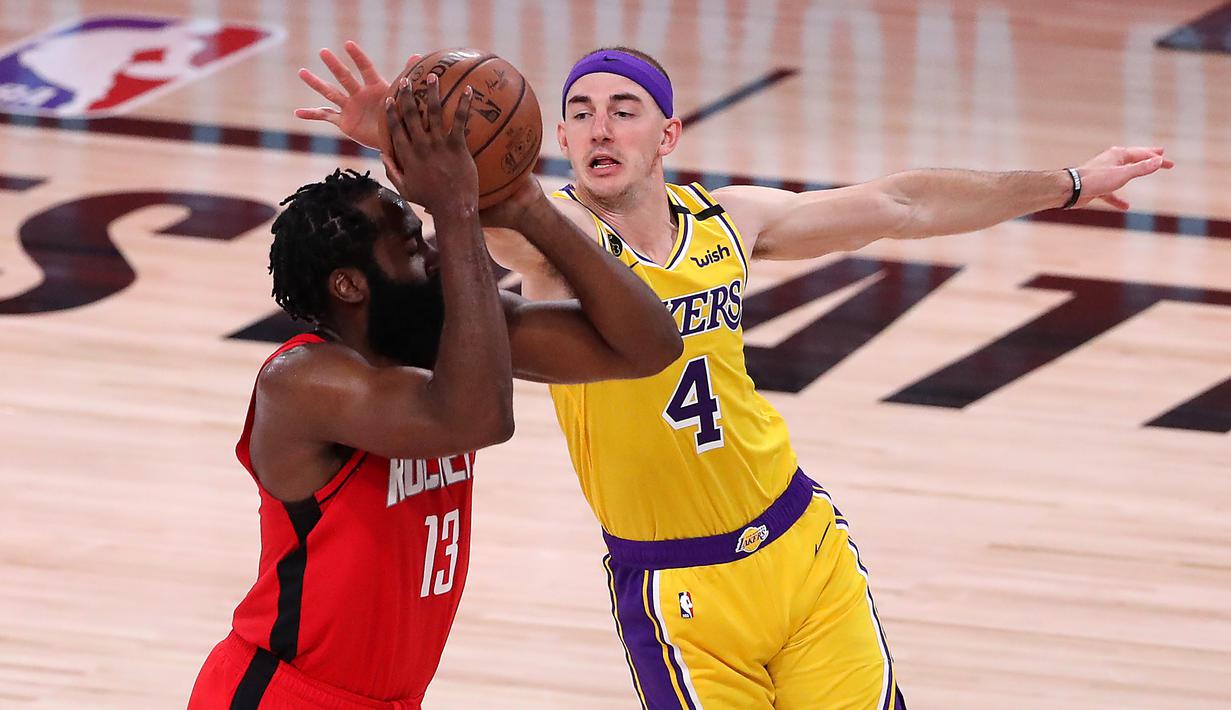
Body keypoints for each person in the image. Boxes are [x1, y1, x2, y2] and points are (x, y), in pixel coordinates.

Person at [296, 43, 1172, 709]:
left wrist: (1066, 182)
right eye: (581, 113)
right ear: (553, 139)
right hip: (677, 589)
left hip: (801, 548)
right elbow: (460, 201)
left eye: (625, 110)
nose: (601, 128)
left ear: (666, 135)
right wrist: (397, 140)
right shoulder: (548, 236)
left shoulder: (731, 221)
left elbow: (904, 203)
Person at [189, 74, 681, 709]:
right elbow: (477, 418)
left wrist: (525, 204)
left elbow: (651, 346)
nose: (433, 254)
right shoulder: (302, 381)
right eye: (410, 246)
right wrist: (457, 209)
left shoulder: (442, 334)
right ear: (349, 286)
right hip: (285, 695)